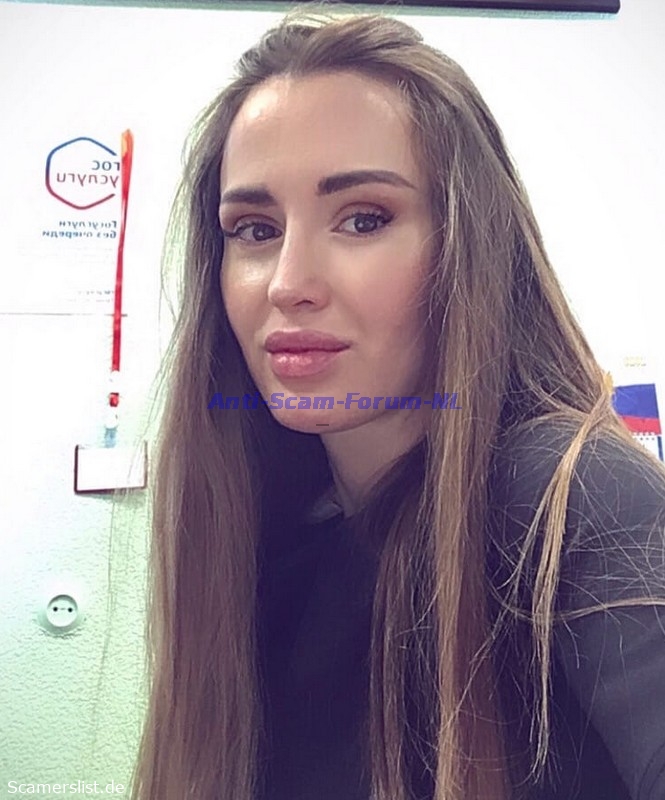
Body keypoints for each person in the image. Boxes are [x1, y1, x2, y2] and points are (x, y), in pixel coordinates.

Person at [130, 5, 665, 800]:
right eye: (254, 230)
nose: (287, 284)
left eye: (362, 219)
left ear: (466, 246)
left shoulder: (571, 497)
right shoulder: (260, 533)